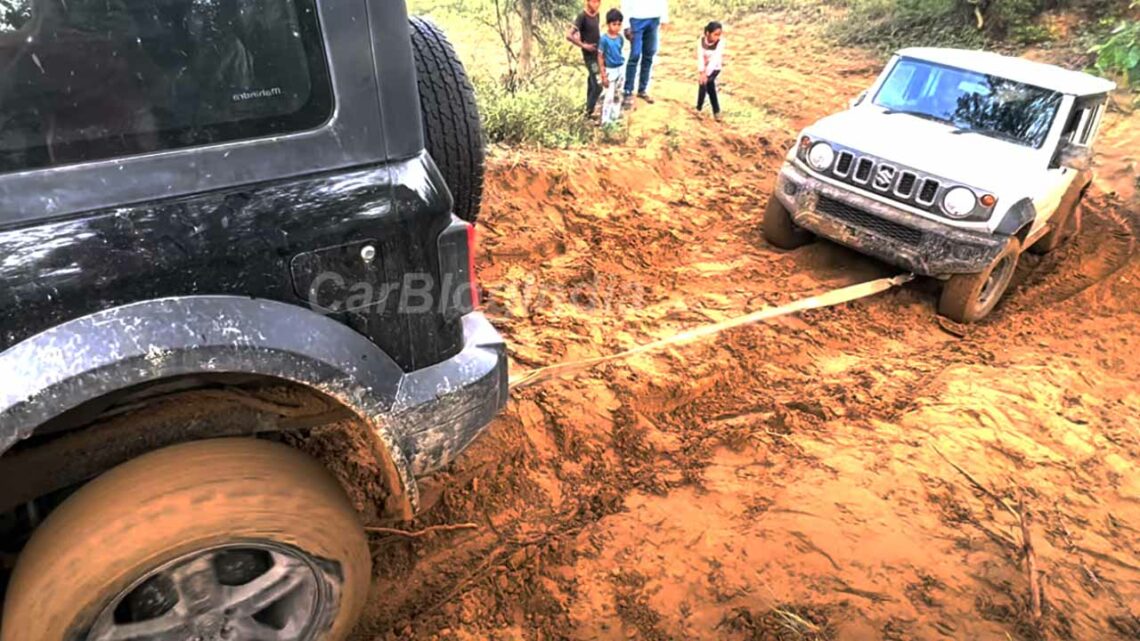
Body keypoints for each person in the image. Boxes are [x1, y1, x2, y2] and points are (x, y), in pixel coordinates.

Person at [620, 0, 668, 108]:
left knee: (649, 53)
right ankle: (628, 90)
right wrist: (626, 25)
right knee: (635, 55)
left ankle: (642, 89)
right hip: (636, 18)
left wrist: (664, 17)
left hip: (653, 18)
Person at [567, 0, 603, 119]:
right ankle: (588, 112)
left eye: (598, 2)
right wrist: (584, 45)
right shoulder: (582, 16)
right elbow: (569, 35)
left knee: (592, 81)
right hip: (590, 58)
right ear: (587, 2)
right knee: (598, 85)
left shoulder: (596, 15)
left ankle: (587, 110)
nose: (596, 4)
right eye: (593, 1)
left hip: (597, 55)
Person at [598, 9, 626, 126]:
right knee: (609, 95)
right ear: (608, 24)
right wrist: (603, 74)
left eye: (619, 24)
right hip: (610, 70)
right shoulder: (604, 39)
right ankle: (605, 120)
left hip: (620, 68)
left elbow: (619, 51)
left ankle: (615, 117)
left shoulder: (620, 38)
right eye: (614, 24)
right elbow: (600, 56)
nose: (617, 27)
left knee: (618, 93)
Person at [696, 21, 725, 121]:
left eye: (719, 35)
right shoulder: (700, 41)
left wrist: (706, 74)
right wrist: (701, 71)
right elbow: (700, 57)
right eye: (715, 34)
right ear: (707, 33)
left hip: (714, 69)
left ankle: (698, 109)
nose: (717, 37)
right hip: (704, 68)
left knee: (703, 83)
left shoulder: (720, 43)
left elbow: (715, 60)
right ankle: (716, 112)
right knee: (711, 89)